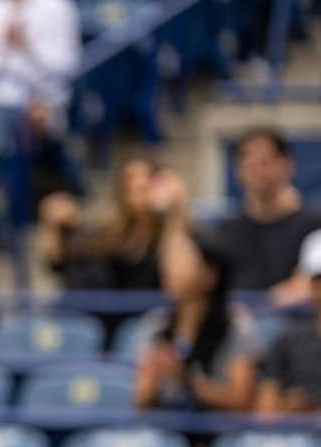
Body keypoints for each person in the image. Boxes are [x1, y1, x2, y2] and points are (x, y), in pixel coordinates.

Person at [134, 237, 260, 412]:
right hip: (165, 430)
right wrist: (154, 376)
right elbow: (140, 400)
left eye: (183, 261)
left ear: (211, 274)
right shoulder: (155, 324)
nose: (170, 270)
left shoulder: (238, 326)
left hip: (216, 431)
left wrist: (188, 381)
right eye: (170, 261)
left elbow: (240, 401)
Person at [208, 127, 321, 302]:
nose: (258, 172)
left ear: (287, 164)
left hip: (296, 323)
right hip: (236, 322)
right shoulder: (226, 232)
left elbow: (306, 285)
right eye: (249, 163)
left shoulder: (315, 227)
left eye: (265, 162)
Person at [35, 154, 164, 290]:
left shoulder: (169, 233)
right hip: (94, 305)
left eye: (146, 184)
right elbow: (58, 262)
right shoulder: (106, 233)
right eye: (131, 181)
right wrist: (53, 228)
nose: (139, 185)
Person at [256, 230, 321, 414]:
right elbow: (265, 411)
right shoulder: (287, 341)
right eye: (319, 281)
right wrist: (290, 408)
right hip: (292, 440)